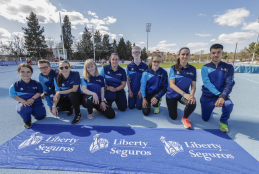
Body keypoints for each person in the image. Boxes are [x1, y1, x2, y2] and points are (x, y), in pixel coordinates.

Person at [200, 44, 235, 133]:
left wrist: (223, 97)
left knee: (229, 104)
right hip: (207, 96)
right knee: (205, 119)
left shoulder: (229, 67)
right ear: (210, 54)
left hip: (222, 95)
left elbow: (229, 83)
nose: (216, 55)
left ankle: (223, 121)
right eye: (213, 53)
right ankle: (209, 109)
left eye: (218, 52)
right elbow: (207, 83)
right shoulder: (205, 67)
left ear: (222, 53)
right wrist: (220, 95)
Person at [166, 47, 196, 129]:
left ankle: (185, 118)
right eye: (183, 54)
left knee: (192, 102)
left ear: (189, 56)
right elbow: (171, 84)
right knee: (173, 117)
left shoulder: (193, 69)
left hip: (182, 95)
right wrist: (185, 94)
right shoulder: (173, 68)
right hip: (171, 95)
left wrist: (191, 95)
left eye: (187, 54)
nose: (185, 56)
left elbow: (193, 85)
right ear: (179, 55)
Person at [9, 63, 46, 128]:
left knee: (41, 117)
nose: (25, 74)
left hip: (36, 102)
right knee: (24, 109)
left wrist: (32, 99)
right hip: (24, 103)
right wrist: (22, 101)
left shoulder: (36, 84)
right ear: (18, 72)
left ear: (31, 73)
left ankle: (33, 110)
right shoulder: (15, 85)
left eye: (28, 72)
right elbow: (13, 95)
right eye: (22, 71)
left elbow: (39, 92)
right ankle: (27, 120)